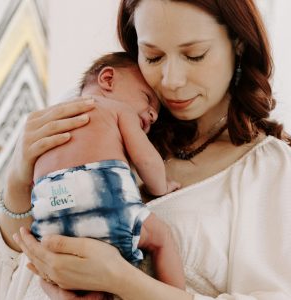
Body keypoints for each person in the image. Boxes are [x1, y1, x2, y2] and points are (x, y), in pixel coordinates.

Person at [0, 0, 291, 299]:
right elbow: (9, 270)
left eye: (195, 55)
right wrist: (17, 180)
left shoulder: (269, 171)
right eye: (153, 57)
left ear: (239, 44)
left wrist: (121, 280)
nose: (172, 81)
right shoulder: (94, 108)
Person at [31, 51, 184, 292]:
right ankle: (176, 294)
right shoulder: (116, 110)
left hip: (50, 216)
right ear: (108, 79)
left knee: (66, 276)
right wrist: (161, 186)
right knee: (161, 238)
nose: (153, 115)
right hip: (100, 196)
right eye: (147, 99)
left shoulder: (51, 119)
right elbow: (147, 160)